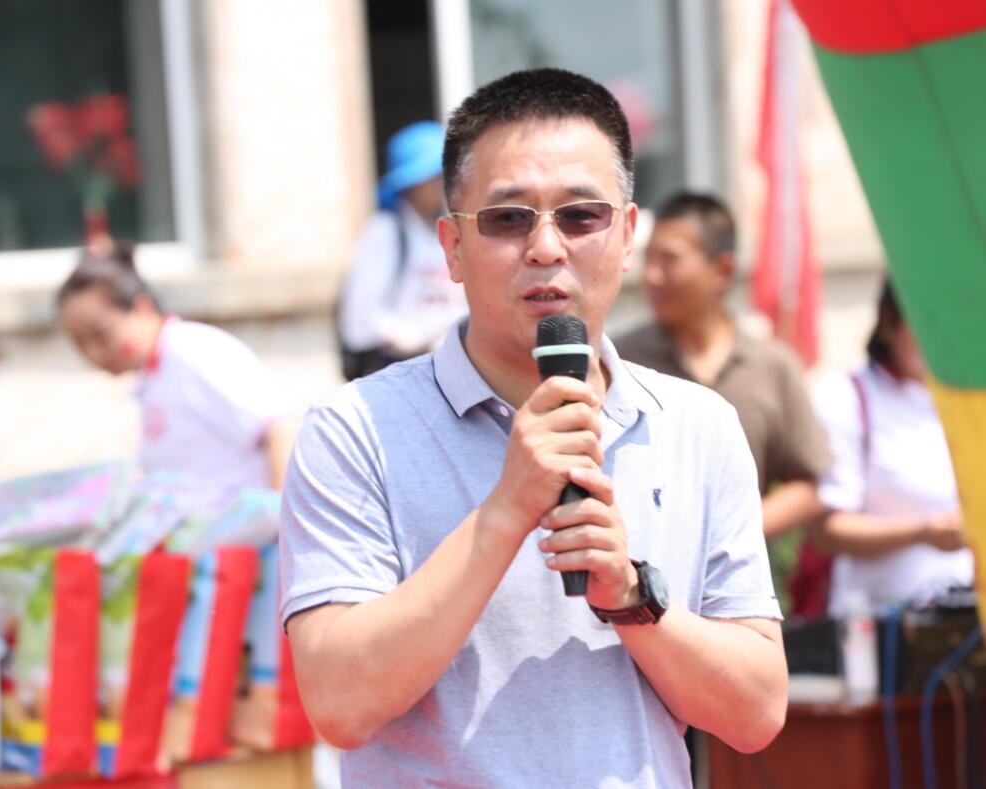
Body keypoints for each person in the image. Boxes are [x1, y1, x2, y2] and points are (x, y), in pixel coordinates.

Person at [280, 68, 787, 787]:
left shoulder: (698, 424)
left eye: (580, 216)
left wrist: (633, 598)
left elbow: (756, 713)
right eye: (508, 219)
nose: (546, 247)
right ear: (452, 247)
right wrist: (504, 513)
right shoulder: (353, 429)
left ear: (627, 235)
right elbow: (339, 704)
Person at [615, 191, 831, 541]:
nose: (652, 276)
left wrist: (729, 535)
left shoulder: (771, 366)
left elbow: (809, 485)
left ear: (722, 270)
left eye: (669, 260)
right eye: (648, 259)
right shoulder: (620, 361)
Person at [56, 243, 291, 494]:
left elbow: (279, 432)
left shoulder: (195, 352)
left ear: (142, 308)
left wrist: (282, 516)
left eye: (101, 335)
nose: (93, 353)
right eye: (79, 342)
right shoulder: (153, 376)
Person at [811, 279, 972, 616]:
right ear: (889, 322)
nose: (940, 339)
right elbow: (826, 530)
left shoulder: (965, 398)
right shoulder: (844, 397)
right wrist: (923, 532)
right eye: (928, 323)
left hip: (968, 613)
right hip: (881, 621)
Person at [336, 121, 468, 379]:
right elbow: (360, 314)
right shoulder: (387, 230)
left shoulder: (446, 228)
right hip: (402, 369)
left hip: (447, 363)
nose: (441, 184)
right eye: (434, 176)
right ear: (412, 183)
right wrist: (410, 338)